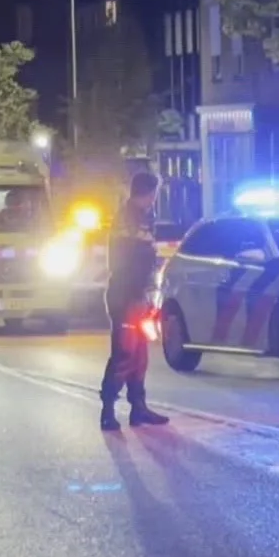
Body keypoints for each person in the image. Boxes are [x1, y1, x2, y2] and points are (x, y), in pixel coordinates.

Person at [100, 171, 171, 431]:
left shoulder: (143, 217)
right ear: (147, 192)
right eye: (153, 193)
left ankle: (138, 408)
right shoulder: (127, 219)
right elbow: (127, 260)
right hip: (126, 294)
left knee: (139, 354)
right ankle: (108, 409)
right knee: (124, 353)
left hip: (140, 294)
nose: (154, 199)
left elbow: (146, 257)